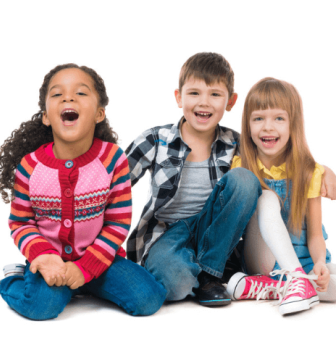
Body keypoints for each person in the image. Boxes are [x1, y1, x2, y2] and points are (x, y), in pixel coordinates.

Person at [0, 64, 166, 320]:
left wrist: (85, 269)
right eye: (57, 94)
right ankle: (17, 279)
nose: (68, 97)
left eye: (81, 93)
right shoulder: (30, 166)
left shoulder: (113, 159)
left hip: (101, 260)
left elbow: (117, 223)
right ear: (46, 116)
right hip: (51, 264)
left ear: (99, 113)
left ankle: (89, 284)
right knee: (42, 306)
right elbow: (21, 223)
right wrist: (44, 257)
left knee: (148, 299)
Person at [125, 52, 263, 306]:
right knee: (174, 286)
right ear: (179, 97)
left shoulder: (237, 143)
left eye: (215, 94)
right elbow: (114, 184)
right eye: (194, 93)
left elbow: (278, 170)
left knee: (245, 180)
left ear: (230, 101)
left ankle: (210, 273)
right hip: (168, 233)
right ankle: (211, 271)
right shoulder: (156, 139)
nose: (204, 102)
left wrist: (316, 170)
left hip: (215, 232)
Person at [227, 78, 336, 315]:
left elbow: (316, 235)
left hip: (304, 259)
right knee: (266, 199)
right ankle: (293, 280)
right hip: (265, 260)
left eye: (279, 118)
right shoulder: (241, 168)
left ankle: (277, 287)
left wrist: (319, 263)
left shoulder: (309, 172)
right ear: (248, 124)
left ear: (292, 124)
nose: (268, 127)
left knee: (332, 284)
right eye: (258, 118)